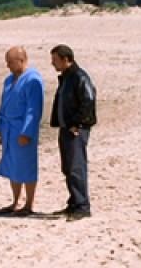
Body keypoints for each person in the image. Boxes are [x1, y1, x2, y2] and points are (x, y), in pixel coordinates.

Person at [0, 47, 44, 216]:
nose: (7, 65)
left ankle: (29, 204)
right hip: (8, 128)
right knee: (12, 165)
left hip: (22, 130)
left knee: (26, 166)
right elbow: (3, 104)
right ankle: (15, 201)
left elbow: (33, 109)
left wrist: (27, 132)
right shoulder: (9, 80)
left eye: (10, 62)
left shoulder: (32, 80)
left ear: (21, 60)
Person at [50, 44, 97, 222]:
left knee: (76, 167)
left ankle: (82, 206)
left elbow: (89, 100)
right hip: (66, 127)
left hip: (75, 129)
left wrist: (77, 123)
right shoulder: (68, 77)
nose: (52, 63)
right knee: (68, 167)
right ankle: (74, 203)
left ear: (65, 59)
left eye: (55, 60)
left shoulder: (79, 76)